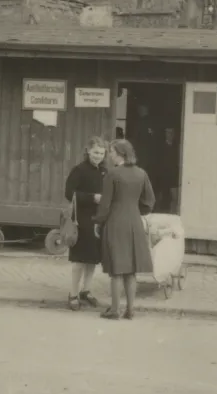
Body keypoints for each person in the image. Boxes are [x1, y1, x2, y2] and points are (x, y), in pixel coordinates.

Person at [93, 139, 155, 320]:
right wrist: (135, 210)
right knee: (131, 270)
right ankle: (130, 310)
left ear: (120, 153)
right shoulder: (141, 173)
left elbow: (105, 204)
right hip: (134, 221)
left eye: (112, 152)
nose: (110, 155)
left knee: (116, 269)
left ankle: (114, 310)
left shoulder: (112, 174)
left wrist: (98, 221)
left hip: (115, 222)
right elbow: (149, 202)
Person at [64, 137, 108, 311]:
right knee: (79, 259)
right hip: (81, 220)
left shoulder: (104, 171)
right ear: (88, 151)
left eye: (102, 153)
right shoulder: (79, 170)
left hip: (98, 219)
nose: (98, 156)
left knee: (93, 259)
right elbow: (69, 193)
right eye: (96, 152)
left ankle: (86, 291)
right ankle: (73, 294)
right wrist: (92, 198)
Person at [155, 127, 181, 214]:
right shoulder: (160, 147)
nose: (169, 135)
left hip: (174, 174)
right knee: (163, 195)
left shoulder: (177, 146)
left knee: (174, 196)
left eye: (171, 133)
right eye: (168, 133)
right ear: (165, 134)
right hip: (163, 175)